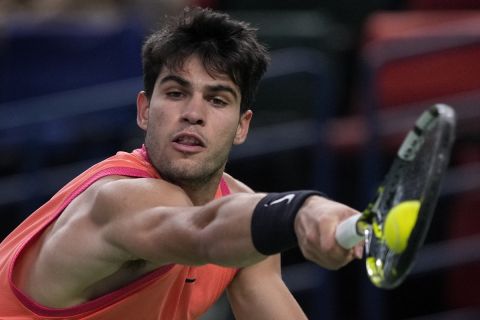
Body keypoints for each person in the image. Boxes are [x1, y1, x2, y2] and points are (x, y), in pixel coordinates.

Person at [0, 7, 362, 319]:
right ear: (144, 110)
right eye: (176, 94)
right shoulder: (116, 200)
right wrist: (301, 210)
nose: (193, 114)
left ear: (242, 126)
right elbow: (202, 231)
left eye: (217, 100)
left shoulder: (239, 212)